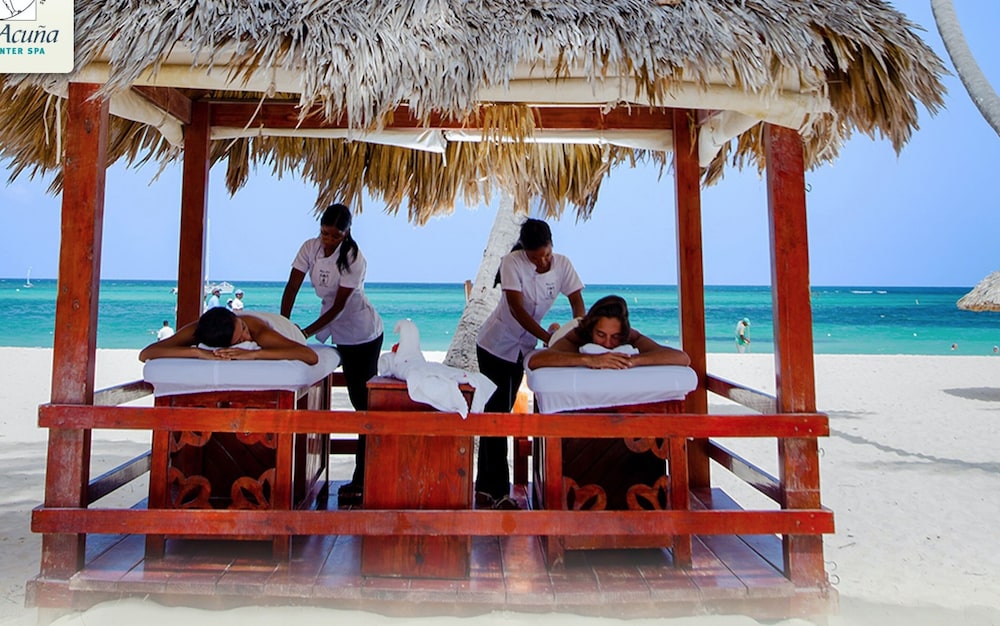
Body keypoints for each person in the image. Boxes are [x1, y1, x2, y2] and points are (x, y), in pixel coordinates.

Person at [474, 218, 586, 509]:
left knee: (501, 412)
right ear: (525, 251)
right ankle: (496, 491)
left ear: (551, 245)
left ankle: (485, 488)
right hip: (495, 346)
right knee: (496, 415)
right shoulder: (512, 262)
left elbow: (577, 301)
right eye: (535, 257)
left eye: (545, 255)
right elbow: (517, 309)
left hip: (523, 348)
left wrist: (579, 331)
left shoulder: (563, 265)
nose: (542, 262)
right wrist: (548, 338)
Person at [280, 203, 384, 505]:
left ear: (346, 233)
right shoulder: (309, 248)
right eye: (325, 233)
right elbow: (292, 286)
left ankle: (363, 479)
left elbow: (339, 307)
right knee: (359, 404)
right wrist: (283, 324)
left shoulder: (353, 258)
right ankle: (363, 477)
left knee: (362, 406)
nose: (328, 240)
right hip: (334, 327)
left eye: (335, 236)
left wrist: (304, 333)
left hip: (362, 334)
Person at [527, 295, 690, 369]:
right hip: (570, 328)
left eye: (615, 337)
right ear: (592, 330)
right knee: (553, 335)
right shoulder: (578, 334)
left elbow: (682, 358)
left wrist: (631, 361)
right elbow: (536, 360)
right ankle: (554, 328)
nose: (607, 343)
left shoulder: (630, 336)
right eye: (601, 335)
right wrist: (591, 360)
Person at [139, 307, 318, 365]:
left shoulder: (258, 332)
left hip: (288, 329)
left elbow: (309, 355)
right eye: (240, 340)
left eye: (243, 328)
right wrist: (197, 352)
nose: (247, 337)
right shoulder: (201, 329)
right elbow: (146, 354)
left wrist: (254, 354)